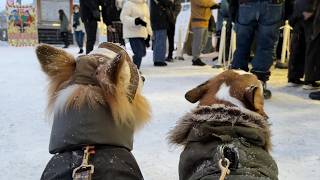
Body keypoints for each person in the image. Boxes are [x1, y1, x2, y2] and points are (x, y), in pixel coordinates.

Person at [230, 0, 284, 99]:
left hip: (246, 4)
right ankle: (258, 82)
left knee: (242, 44)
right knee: (266, 45)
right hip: (272, 5)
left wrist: (233, 8)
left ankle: (237, 81)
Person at [288, 0, 320, 90]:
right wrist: (311, 9)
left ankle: (293, 77)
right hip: (310, 8)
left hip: (298, 8)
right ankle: (310, 80)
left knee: (298, 43)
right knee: (313, 46)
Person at [120, 0, 152, 69]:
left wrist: (149, 33)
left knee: (143, 53)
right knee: (138, 53)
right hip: (132, 33)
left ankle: (131, 66)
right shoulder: (129, 4)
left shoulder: (145, 5)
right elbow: (123, 17)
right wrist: (135, 21)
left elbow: (147, 20)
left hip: (142, 33)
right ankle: (135, 69)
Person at [190, 0, 218, 66]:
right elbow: (202, 2)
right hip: (198, 21)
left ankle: (197, 56)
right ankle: (195, 59)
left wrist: (213, 4)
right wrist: (213, 4)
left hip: (205, 21)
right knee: (198, 41)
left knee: (203, 41)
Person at [150, 0, 173, 66]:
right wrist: (170, 2)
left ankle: (157, 59)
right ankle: (159, 60)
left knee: (157, 41)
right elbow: (165, 2)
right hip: (160, 19)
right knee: (161, 41)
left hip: (157, 19)